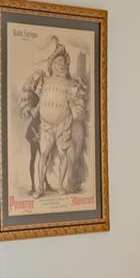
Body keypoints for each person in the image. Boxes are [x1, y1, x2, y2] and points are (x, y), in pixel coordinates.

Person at [18, 37, 89, 197]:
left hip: (63, 125)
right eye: (58, 62)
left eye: (64, 63)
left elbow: (77, 110)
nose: (61, 65)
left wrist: (76, 107)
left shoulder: (71, 84)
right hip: (46, 126)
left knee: (63, 155)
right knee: (43, 155)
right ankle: (40, 188)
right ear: (52, 65)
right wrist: (31, 108)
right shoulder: (44, 80)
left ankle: (60, 186)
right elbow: (32, 93)